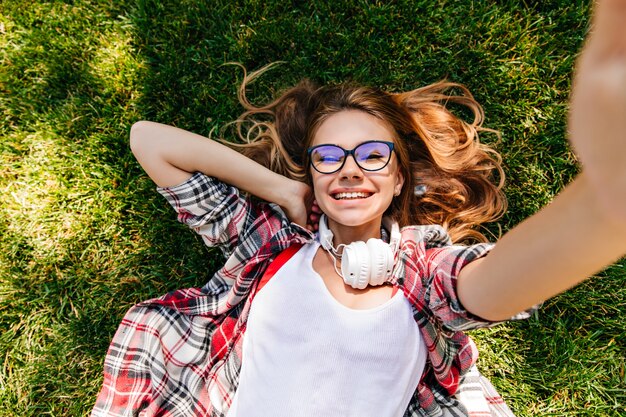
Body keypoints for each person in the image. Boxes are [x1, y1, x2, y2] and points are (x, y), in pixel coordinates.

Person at [91, 1, 626, 416]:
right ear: (313, 174)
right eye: (329, 157)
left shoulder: (423, 277)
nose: (349, 169)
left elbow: (503, 281)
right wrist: (282, 191)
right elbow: (149, 142)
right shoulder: (270, 243)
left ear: (398, 181)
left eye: (372, 156)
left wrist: (607, 203)